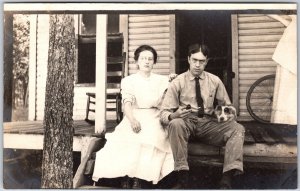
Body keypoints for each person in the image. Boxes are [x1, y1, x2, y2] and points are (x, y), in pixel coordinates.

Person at [160, 43, 245, 189]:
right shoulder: (178, 82)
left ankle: (227, 179)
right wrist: (175, 115)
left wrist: (228, 113)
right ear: (188, 59)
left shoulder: (215, 81)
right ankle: (182, 177)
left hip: (208, 124)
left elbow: (228, 106)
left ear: (207, 61)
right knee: (175, 124)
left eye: (201, 61)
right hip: (186, 123)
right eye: (194, 60)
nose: (197, 65)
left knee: (238, 128)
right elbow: (163, 114)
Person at [92, 45, 174, 189]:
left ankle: (139, 179)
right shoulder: (129, 80)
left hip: (154, 115)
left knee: (150, 139)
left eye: (150, 59)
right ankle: (125, 177)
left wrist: (173, 80)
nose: (147, 62)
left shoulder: (161, 80)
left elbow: (172, 93)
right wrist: (132, 120)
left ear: (154, 62)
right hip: (134, 115)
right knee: (123, 140)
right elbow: (127, 104)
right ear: (137, 61)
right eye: (143, 58)